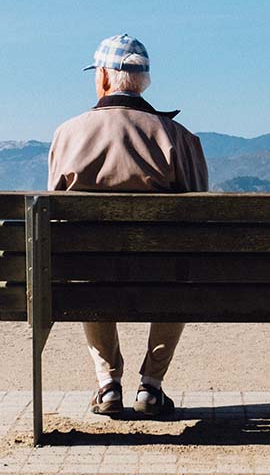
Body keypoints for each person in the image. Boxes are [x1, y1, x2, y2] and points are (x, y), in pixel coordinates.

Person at [48, 34, 209, 417]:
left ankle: (108, 385)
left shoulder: (68, 133)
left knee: (84, 268)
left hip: (92, 274)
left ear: (103, 77)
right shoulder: (178, 138)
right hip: (163, 274)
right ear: (144, 82)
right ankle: (151, 386)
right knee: (179, 274)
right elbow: (202, 214)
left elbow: (53, 216)